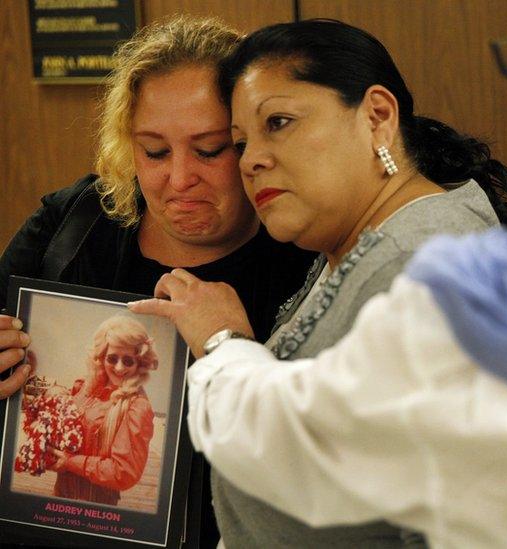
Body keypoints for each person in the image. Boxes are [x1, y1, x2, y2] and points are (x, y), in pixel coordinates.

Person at [129, 3, 507, 548]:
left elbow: (315, 463)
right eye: (239, 143)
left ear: (376, 117)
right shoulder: (351, 239)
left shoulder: (420, 257)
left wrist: (223, 341)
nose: (251, 160)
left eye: (278, 123)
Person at [0, 14, 315, 548]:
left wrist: (236, 349)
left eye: (210, 148)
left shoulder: (303, 252)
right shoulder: (74, 223)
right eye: (155, 151)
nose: (179, 178)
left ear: (249, 142)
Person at [45, 315, 157, 505]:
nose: (119, 368)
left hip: (94, 510)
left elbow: (123, 472)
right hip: (59, 498)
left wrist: (70, 462)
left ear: (140, 363)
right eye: (112, 358)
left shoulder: (137, 407)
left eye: (128, 361)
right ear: (101, 357)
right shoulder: (84, 389)